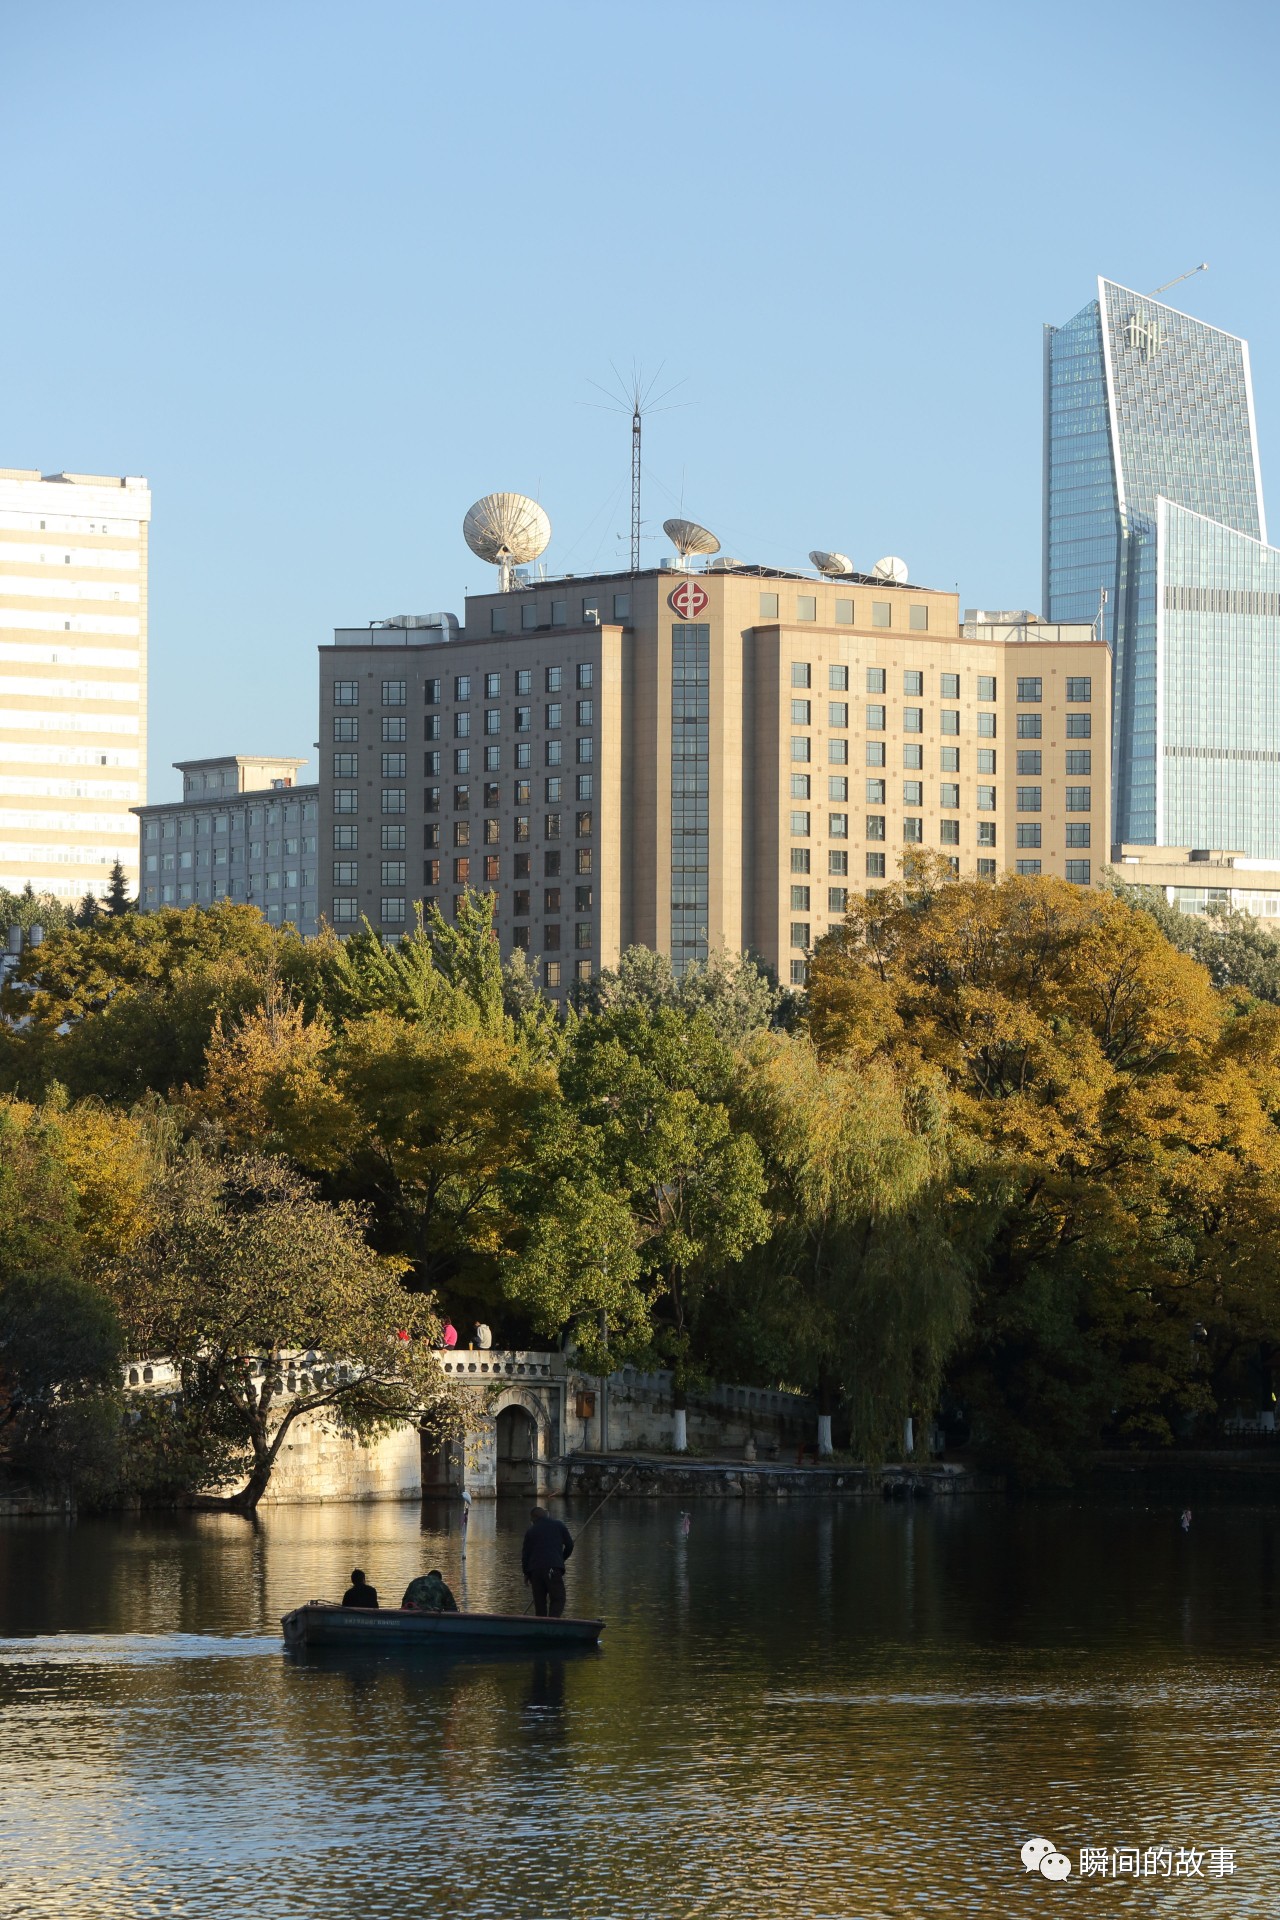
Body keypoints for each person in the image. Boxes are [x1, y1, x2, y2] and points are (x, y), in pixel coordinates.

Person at [521, 1505, 575, 1619]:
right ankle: (552, 1623)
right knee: (558, 1598)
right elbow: (569, 1545)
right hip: (553, 1568)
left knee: (540, 1602)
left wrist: (526, 1573)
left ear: (534, 1519)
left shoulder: (530, 1531)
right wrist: (561, 1559)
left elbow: (525, 1554)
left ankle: (541, 1627)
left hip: (535, 1571)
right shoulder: (559, 1525)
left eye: (531, 1520)